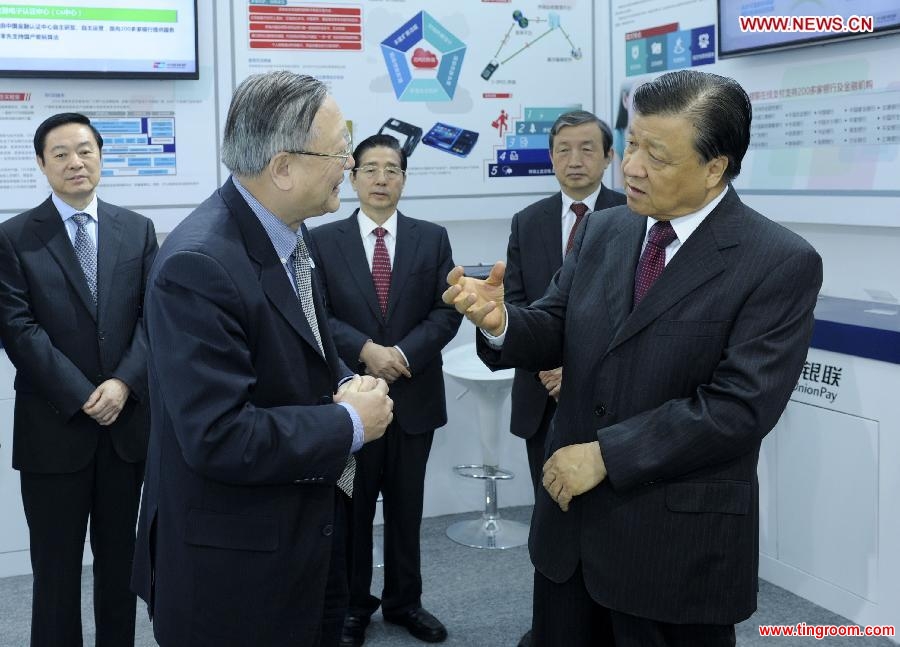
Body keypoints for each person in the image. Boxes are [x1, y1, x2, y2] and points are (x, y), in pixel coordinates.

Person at [444, 70, 823, 647]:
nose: (632, 168)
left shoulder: (777, 261)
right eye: (633, 144)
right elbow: (555, 323)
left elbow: (738, 407)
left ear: (715, 167)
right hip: (570, 534)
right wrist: (501, 323)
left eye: (658, 155)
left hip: (672, 547)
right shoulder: (605, 229)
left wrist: (606, 456)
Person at [130, 72, 394, 647]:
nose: (350, 163)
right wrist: (350, 422)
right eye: (340, 148)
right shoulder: (198, 266)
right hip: (234, 576)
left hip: (303, 541)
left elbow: (304, 357)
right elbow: (218, 435)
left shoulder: (287, 235)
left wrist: (351, 382)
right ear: (282, 167)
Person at [0, 112, 158, 647]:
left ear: (101, 155)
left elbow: (151, 320)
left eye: (85, 149)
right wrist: (84, 394)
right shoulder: (14, 237)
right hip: (54, 432)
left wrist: (123, 385)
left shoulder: (136, 229)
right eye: (62, 153)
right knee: (56, 572)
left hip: (125, 430)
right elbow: (18, 330)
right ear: (42, 164)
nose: (76, 161)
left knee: (120, 568)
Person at [309, 134, 462, 647]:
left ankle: (405, 602)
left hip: (414, 400)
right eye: (370, 169)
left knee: (406, 507)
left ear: (404, 178)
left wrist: (403, 356)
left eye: (391, 169)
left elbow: (446, 312)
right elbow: (317, 315)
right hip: (353, 400)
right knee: (353, 509)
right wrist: (367, 351)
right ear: (351, 177)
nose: (380, 179)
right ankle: (354, 604)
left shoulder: (431, 237)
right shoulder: (322, 241)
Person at [505, 109, 625, 647]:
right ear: (550, 158)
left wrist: (574, 368)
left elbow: (633, 316)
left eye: (586, 149)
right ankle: (551, 628)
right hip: (540, 400)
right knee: (550, 517)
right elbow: (518, 306)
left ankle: (605, 626)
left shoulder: (634, 216)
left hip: (611, 401)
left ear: (608, 157)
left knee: (609, 520)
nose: (574, 160)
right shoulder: (527, 221)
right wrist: (548, 366)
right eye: (563, 150)